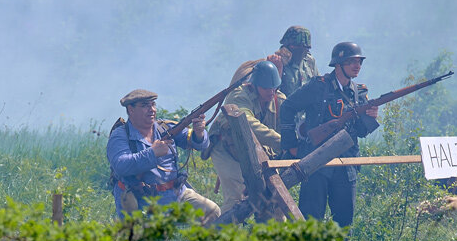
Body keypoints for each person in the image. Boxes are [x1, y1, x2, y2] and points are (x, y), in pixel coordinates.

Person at [280, 41, 379, 226]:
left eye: (359, 62)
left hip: (346, 165)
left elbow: (361, 132)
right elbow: (287, 107)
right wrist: (291, 145)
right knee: (310, 224)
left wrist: (370, 117)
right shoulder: (318, 86)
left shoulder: (359, 92)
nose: (357, 66)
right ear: (338, 64)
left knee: (343, 225)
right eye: (351, 61)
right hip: (316, 163)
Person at [107, 89, 220, 223]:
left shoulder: (164, 127)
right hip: (142, 201)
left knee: (212, 211)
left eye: (153, 105)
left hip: (176, 194)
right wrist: (152, 153)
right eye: (144, 106)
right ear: (130, 110)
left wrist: (199, 132)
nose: (152, 110)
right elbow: (121, 166)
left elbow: (199, 144)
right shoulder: (120, 135)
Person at [207, 60, 285, 213]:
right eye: (266, 88)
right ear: (254, 85)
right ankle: (224, 235)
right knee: (235, 199)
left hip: (257, 154)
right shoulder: (239, 96)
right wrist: (282, 142)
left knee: (275, 199)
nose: (271, 92)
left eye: (274, 87)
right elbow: (247, 124)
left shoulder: (279, 99)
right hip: (226, 150)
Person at [278, 25, 319, 98]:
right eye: (300, 46)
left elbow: (318, 86)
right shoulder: (278, 62)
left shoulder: (310, 61)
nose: (305, 50)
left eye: (306, 47)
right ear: (290, 46)